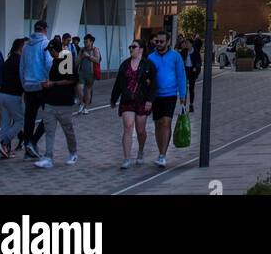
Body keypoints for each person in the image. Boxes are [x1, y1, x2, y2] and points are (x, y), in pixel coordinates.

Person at [34, 37, 79, 168]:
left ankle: (73, 153)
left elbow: (71, 79)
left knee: (68, 130)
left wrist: (53, 83)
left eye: (50, 51)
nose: (49, 53)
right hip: (50, 102)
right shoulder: (55, 61)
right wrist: (48, 84)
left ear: (54, 49)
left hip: (64, 102)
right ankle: (48, 157)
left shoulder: (67, 59)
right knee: (49, 130)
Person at [111, 37, 156, 168]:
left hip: (142, 100)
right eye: (130, 47)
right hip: (127, 100)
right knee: (128, 126)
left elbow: (153, 84)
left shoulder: (148, 64)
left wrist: (150, 100)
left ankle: (140, 151)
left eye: (134, 47)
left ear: (141, 49)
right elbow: (118, 83)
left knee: (140, 130)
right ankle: (126, 158)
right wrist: (114, 98)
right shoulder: (125, 64)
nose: (131, 49)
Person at [147, 30, 187, 166]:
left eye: (161, 41)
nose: (158, 44)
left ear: (168, 42)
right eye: (157, 41)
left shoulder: (176, 56)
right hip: (155, 96)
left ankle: (163, 155)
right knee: (158, 124)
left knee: (166, 122)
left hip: (170, 95)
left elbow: (181, 75)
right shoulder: (150, 58)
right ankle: (160, 152)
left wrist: (183, 94)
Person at [20, 19, 52, 159]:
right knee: (49, 116)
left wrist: (24, 85)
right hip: (43, 85)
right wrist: (51, 81)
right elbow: (49, 64)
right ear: (44, 29)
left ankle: (28, 148)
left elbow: (21, 68)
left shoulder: (26, 46)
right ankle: (32, 143)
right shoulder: (45, 44)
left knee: (29, 118)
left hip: (28, 86)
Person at [0, 38, 27, 159]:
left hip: (2, 94)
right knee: (20, 120)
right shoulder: (20, 61)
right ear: (20, 47)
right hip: (13, 95)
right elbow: (23, 79)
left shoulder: (7, 61)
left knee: (5, 122)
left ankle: (5, 150)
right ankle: (4, 142)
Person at [75, 33, 101, 113]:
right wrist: (81, 57)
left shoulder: (95, 49)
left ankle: (85, 108)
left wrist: (88, 56)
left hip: (91, 73)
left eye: (86, 42)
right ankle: (82, 103)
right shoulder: (82, 50)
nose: (85, 43)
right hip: (81, 72)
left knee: (88, 90)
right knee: (79, 88)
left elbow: (97, 60)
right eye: (84, 42)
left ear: (91, 42)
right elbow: (76, 62)